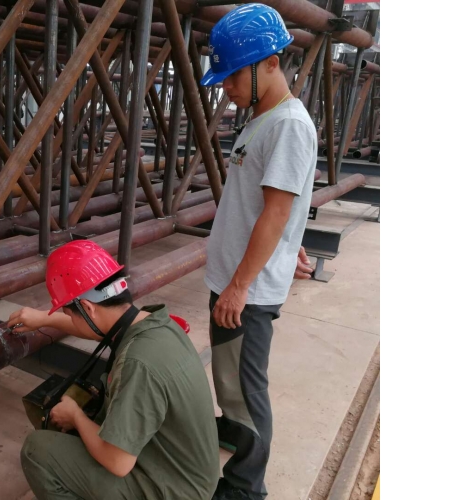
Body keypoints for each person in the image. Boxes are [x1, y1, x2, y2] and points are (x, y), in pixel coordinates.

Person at [198, 4, 318, 499]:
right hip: (232, 281)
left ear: (270, 62)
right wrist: (292, 243)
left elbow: (274, 213)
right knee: (232, 386)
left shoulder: (288, 125)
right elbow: (276, 203)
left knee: (246, 393)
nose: (226, 88)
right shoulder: (261, 118)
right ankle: (237, 441)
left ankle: (246, 488)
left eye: (231, 78)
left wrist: (241, 285)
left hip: (244, 292)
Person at [12, 240, 219, 499]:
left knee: (38, 451)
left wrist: (75, 415)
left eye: (70, 313)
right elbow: (96, 327)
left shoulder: (137, 364)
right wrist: (43, 318)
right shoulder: (155, 325)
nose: (71, 319)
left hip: (175, 491)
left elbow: (117, 462)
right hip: (188, 474)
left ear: (88, 308)